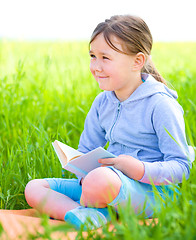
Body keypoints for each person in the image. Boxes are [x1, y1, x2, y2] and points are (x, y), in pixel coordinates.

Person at [25, 15, 191, 230]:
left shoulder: (161, 105)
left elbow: (181, 166)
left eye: (105, 58)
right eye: (93, 56)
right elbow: (86, 150)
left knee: (100, 180)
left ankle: (93, 208)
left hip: (151, 193)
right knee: (35, 188)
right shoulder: (103, 101)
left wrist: (138, 169)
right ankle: (87, 213)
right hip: (103, 183)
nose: (96, 66)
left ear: (137, 61)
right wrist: (81, 168)